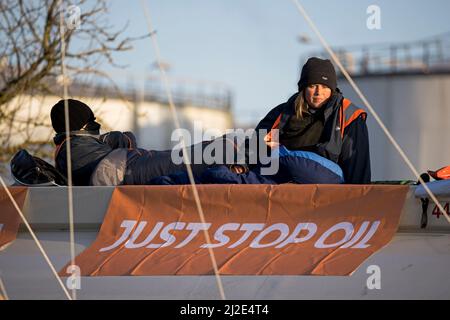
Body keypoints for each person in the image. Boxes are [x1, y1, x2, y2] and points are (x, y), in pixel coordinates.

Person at [249, 57, 371, 184]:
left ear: (332, 89)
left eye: (324, 86)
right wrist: (240, 165)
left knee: (290, 162)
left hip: (328, 186)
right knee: (229, 145)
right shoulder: (283, 113)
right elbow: (254, 145)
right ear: (303, 88)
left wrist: (358, 200)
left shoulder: (348, 115)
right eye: (313, 86)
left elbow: (358, 169)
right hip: (280, 179)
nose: (318, 93)